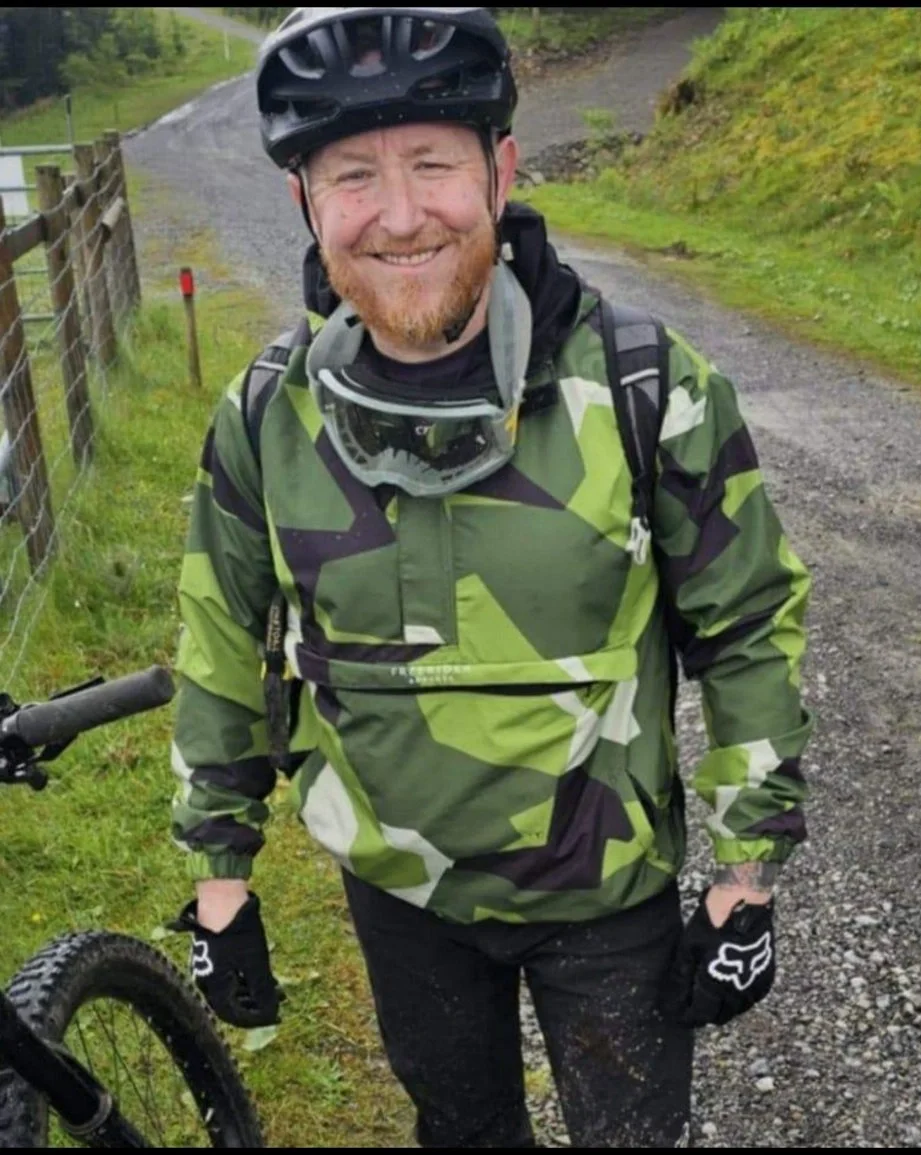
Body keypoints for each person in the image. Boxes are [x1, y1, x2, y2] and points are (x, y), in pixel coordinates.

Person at [168, 7, 814, 1148]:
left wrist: (747, 870)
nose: (401, 213)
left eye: (434, 163)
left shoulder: (648, 386)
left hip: (604, 896)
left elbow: (748, 621)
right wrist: (220, 876)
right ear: (304, 203)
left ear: (502, 170)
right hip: (400, 892)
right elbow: (223, 634)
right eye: (353, 174)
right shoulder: (267, 413)